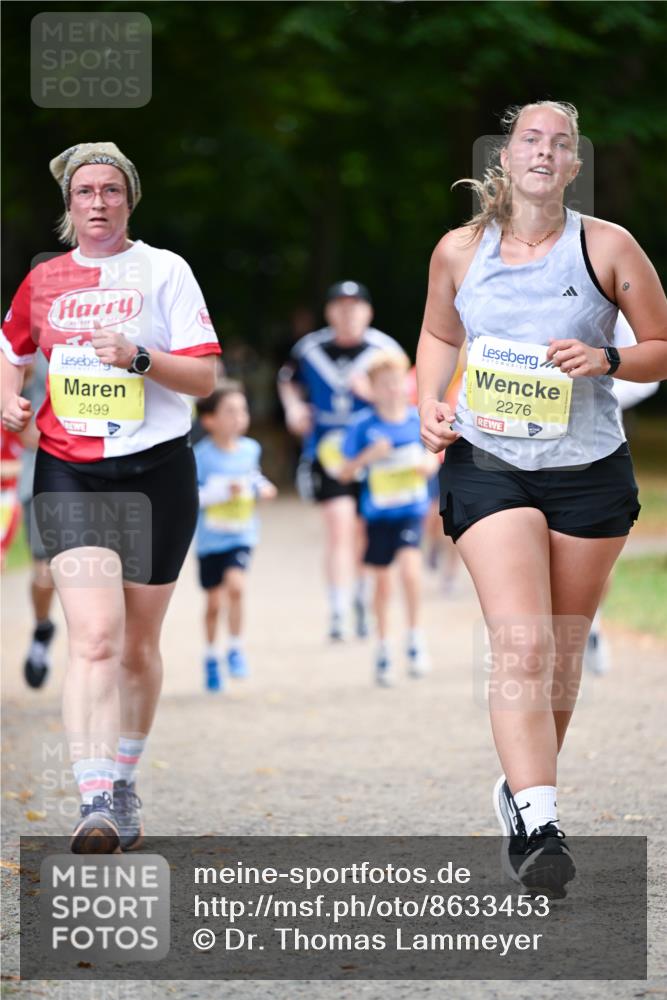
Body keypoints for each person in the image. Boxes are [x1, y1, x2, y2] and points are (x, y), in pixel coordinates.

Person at [416, 101, 667, 897]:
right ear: (506, 153)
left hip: (588, 465)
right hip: (488, 463)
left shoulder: (607, 246)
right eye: (531, 138)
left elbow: (659, 348)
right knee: (521, 644)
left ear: (572, 164)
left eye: (560, 143)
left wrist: (605, 358)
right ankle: (543, 820)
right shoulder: (459, 249)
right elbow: (437, 335)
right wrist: (427, 400)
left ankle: (521, 795)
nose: (544, 151)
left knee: (558, 650)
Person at [0, 142, 220, 853]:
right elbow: (10, 353)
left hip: (157, 473)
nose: (98, 202)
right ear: (69, 205)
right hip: (70, 469)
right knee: (94, 637)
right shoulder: (45, 280)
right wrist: (8, 401)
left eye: (111, 191)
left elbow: (204, 381)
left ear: (129, 200)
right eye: (85, 191)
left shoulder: (166, 271)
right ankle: (93, 798)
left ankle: (123, 778)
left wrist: (139, 357)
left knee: (137, 647)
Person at [278, 281, 403, 641]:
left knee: (364, 532)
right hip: (328, 451)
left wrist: (377, 397)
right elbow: (288, 381)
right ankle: (337, 609)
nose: (348, 313)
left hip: (374, 452)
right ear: (330, 312)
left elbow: (404, 396)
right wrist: (294, 408)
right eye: (340, 306)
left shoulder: (384, 350)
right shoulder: (310, 349)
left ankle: (361, 599)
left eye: (355, 306)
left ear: (368, 312)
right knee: (338, 527)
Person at [341, 352, 438, 685]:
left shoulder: (415, 420)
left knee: (411, 572)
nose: (392, 389)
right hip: (377, 516)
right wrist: (369, 456)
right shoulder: (362, 426)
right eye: (384, 384)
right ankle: (383, 647)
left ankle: (414, 637)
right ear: (371, 389)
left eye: (397, 382)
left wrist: (427, 464)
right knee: (382, 584)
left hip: (410, 512)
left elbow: (433, 456)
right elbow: (343, 471)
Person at [194, 381, 277, 691]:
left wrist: (263, 487)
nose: (238, 417)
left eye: (242, 410)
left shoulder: (250, 449)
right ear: (210, 420)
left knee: (237, 587)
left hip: (242, 535)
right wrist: (218, 494)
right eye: (229, 411)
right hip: (210, 540)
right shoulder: (201, 456)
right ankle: (211, 655)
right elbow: (192, 498)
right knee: (214, 603)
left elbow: (252, 475)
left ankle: (236, 647)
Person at [18, 354, 58, 688]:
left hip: (105, 479)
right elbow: (23, 430)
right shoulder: (33, 345)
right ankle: (42, 629)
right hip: (42, 478)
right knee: (46, 572)